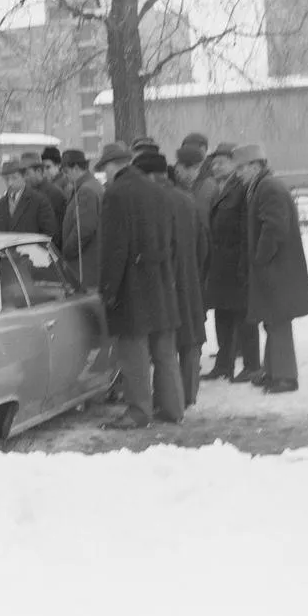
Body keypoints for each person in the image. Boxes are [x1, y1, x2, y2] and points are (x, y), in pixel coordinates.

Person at [99, 148, 184, 429]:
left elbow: (114, 248)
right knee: (164, 351)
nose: (105, 175)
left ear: (113, 166)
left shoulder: (116, 194)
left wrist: (108, 290)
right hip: (161, 281)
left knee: (134, 353)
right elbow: (173, 241)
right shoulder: (159, 191)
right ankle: (173, 407)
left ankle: (138, 411)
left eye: (105, 168)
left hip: (131, 286)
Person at [233, 143, 308, 394]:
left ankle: (285, 377)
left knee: (278, 322)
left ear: (256, 166)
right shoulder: (262, 186)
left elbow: (274, 228)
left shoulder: (268, 187)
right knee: (272, 321)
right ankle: (273, 372)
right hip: (274, 268)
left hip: (276, 269)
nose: (238, 173)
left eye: (241, 168)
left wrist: (260, 258)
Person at [144, 155, 209, 407]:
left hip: (165, 280)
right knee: (190, 339)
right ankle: (190, 393)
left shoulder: (154, 202)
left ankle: (168, 397)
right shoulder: (188, 200)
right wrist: (196, 270)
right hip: (190, 278)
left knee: (165, 342)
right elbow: (204, 244)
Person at [203, 146, 261, 382]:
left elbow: (246, 230)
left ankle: (252, 365)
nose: (216, 166)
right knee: (222, 316)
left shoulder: (241, 189)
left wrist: (244, 265)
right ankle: (223, 364)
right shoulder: (219, 188)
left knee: (244, 316)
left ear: (234, 164)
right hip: (219, 265)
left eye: (222, 162)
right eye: (214, 163)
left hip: (236, 263)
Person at [60, 148, 104, 289]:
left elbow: (84, 229)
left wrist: (66, 252)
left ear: (76, 168)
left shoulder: (86, 191)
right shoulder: (92, 186)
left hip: (84, 266)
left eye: (66, 171)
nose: (65, 176)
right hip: (89, 263)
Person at [0, 158, 58, 237]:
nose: (10, 183)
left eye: (14, 178)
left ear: (24, 177)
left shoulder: (39, 202)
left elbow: (49, 234)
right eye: (6, 179)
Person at [174, 142, 217, 236]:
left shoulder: (210, 186)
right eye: (187, 168)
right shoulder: (171, 187)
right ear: (177, 167)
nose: (192, 173)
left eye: (196, 168)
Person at [41, 145, 71, 229]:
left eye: (48, 167)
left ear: (58, 165)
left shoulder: (67, 186)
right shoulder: (45, 185)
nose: (45, 171)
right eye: (43, 168)